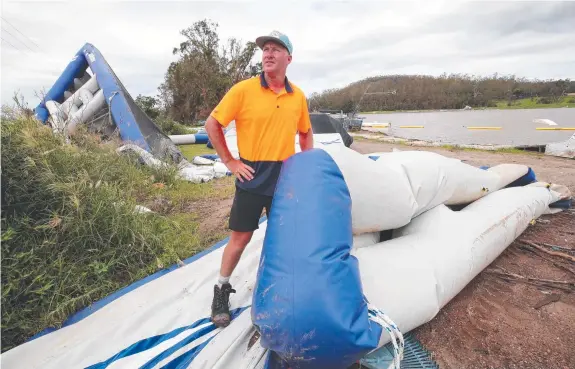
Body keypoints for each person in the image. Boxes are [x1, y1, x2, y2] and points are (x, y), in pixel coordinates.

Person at [205, 31, 314, 327]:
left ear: (288, 58)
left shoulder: (298, 96)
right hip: (251, 174)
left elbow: (305, 132)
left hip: (285, 176)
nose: (268, 53)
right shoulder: (243, 90)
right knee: (240, 238)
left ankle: (281, 289)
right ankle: (221, 289)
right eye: (265, 49)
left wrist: (306, 165)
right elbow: (213, 123)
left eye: (276, 49)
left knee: (284, 237)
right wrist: (229, 161)